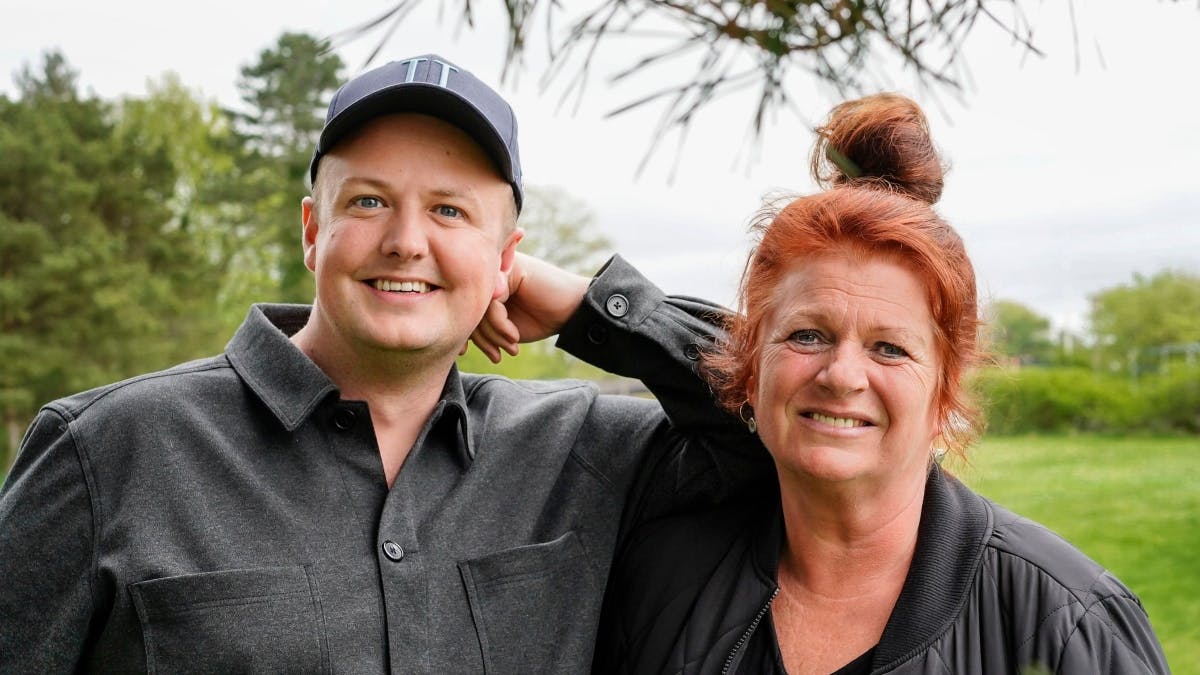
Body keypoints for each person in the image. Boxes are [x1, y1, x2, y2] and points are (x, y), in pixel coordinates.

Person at [0, 54, 767, 672]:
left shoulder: (586, 452)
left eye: (449, 210)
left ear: (506, 257)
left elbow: (790, 429)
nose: (406, 240)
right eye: (368, 202)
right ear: (312, 228)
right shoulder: (107, 452)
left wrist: (591, 308)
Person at [592, 93, 1170, 674]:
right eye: (807, 336)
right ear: (749, 367)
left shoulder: (1068, 625)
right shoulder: (662, 579)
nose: (842, 376)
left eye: (890, 349)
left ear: (945, 395)